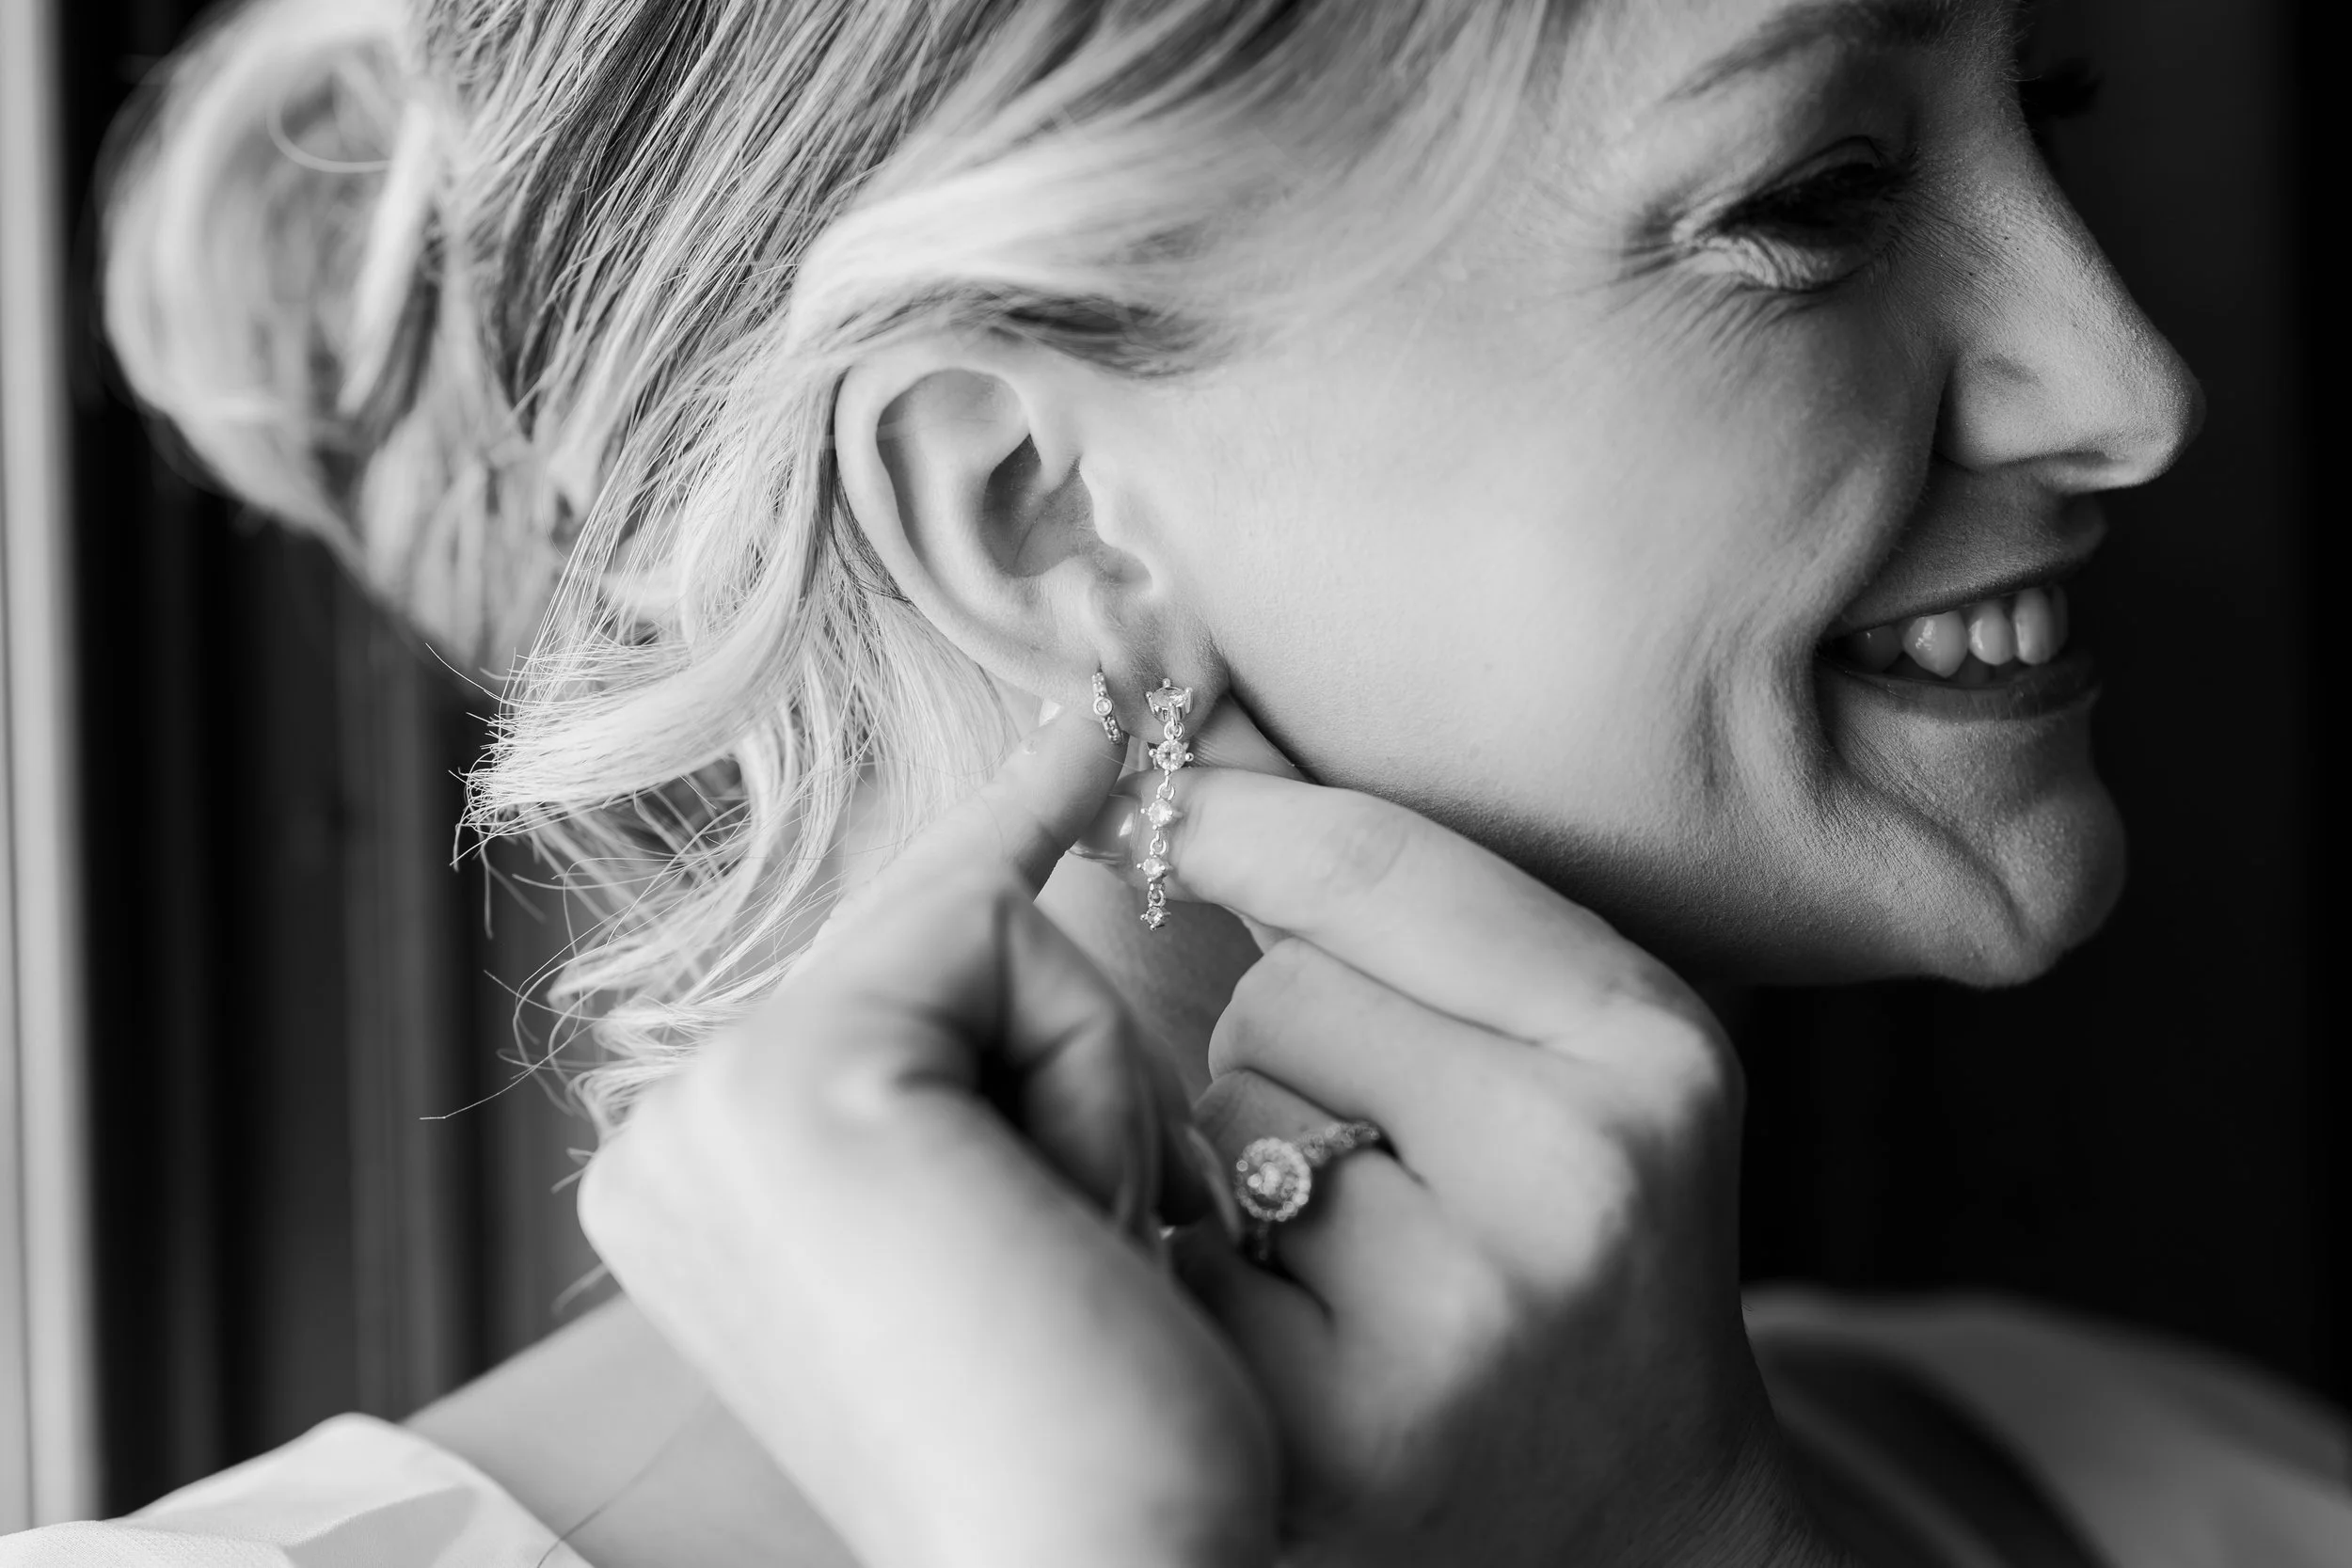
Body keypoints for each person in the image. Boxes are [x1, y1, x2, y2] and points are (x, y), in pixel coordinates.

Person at [8, 0, 2347, 1563]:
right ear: (1037, 514)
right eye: (1811, 198)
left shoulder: (2148, 1476)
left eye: (2045, 104)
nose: (2123, 383)